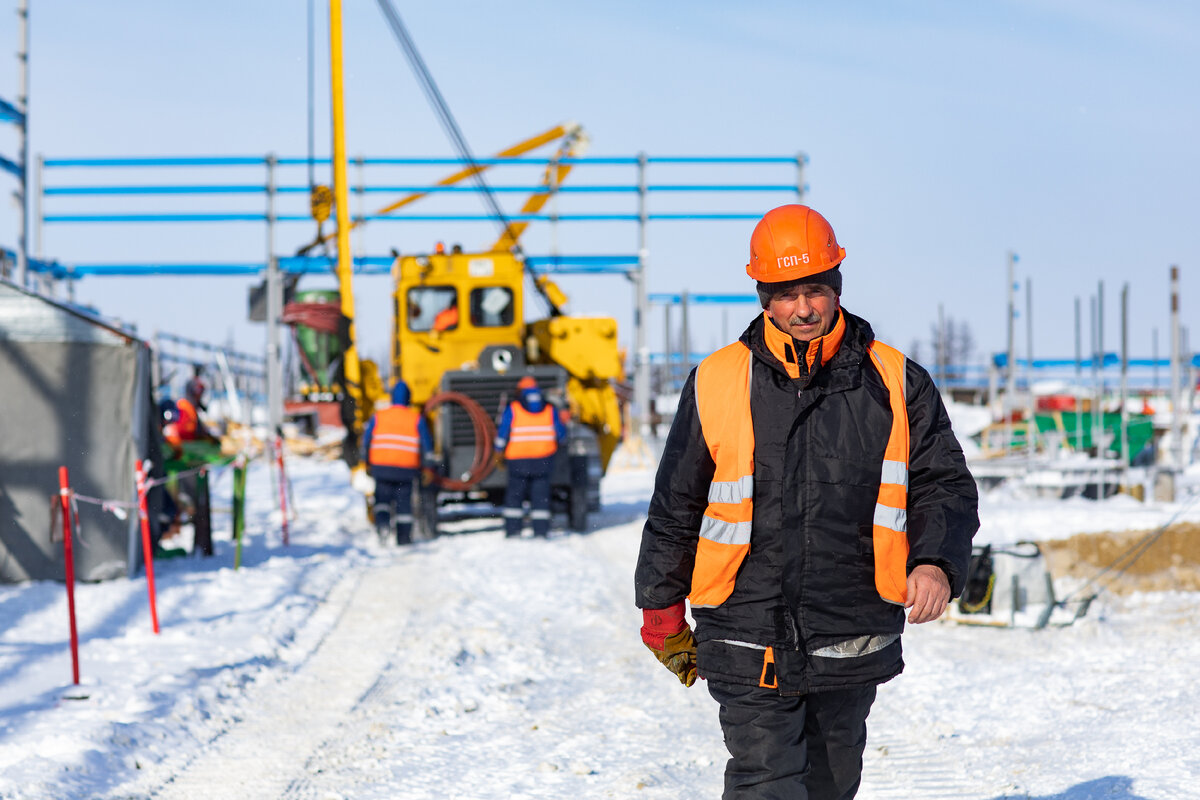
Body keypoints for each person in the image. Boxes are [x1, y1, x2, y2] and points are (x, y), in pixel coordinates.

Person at [635, 204, 979, 800]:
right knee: (766, 782)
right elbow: (676, 504)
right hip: (744, 626)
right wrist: (659, 608)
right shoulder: (717, 380)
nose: (802, 308)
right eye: (786, 293)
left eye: (815, 290)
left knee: (830, 784)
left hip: (852, 626)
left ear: (836, 287)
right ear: (763, 295)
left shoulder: (897, 380)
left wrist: (936, 563)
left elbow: (943, 485)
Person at [493, 376, 568, 538]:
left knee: (515, 497)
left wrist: (498, 450)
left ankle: (513, 531)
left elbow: (503, 432)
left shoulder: (513, 408)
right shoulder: (549, 408)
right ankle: (540, 531)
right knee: (540, 497)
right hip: (543, 460)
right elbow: (561, 435)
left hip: (517, 461)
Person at [362, 379, 434, 545]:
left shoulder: (379, 416)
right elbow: (427, 444)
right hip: (406, 470)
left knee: (382, 500)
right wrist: (428, 468)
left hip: (381, 468)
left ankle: (383, 527)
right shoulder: (416, 418)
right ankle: (403, 538)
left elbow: (366, 441)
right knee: (404, 505)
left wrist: (365, 461)